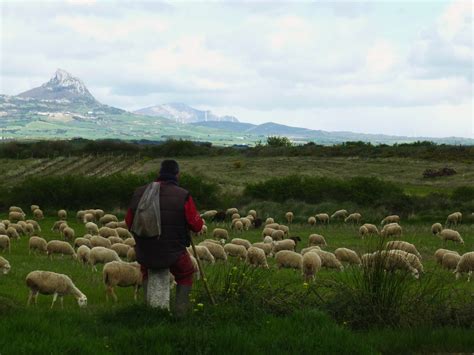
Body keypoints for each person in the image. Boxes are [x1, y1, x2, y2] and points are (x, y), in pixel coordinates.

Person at [125, 159, 203, 316]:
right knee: (186, 272)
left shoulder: (140, 192)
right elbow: (197, 226)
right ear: (177, 174)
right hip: (173, 251)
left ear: (159, 173)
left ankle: (149, 310)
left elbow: (129, 221)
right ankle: (180, 313)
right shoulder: (182, 195)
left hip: (145, 250)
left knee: (146, 270)